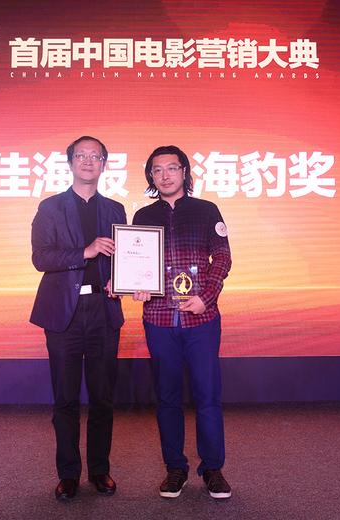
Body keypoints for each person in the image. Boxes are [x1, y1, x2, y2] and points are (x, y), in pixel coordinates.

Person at [132, 145, 232, 499]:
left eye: (172, 168)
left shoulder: (206, 211)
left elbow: (223, 257)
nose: (165, 175)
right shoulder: (143, 215)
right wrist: (136, 285)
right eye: (157, 170)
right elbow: (137, 263)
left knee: (208, 396)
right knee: (167, 398)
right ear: (151, 176)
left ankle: (213, 469)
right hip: (158, 320)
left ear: (184, 172)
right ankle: (175, 468)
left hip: (201, 318)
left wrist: (207, 296)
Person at [30, 136, 126, 501]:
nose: (88, 161)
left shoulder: (115, 209)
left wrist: (121, 280)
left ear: (104, 164)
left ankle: (100, 470)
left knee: (102, 397)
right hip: (63, 314)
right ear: (70, 162)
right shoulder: (50, 207)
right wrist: (84, 251)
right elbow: (41, 258)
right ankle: (68, 473)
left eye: (95, 156)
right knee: (66, 399)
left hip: (103, 310)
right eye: (81, 155)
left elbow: (123, 257)